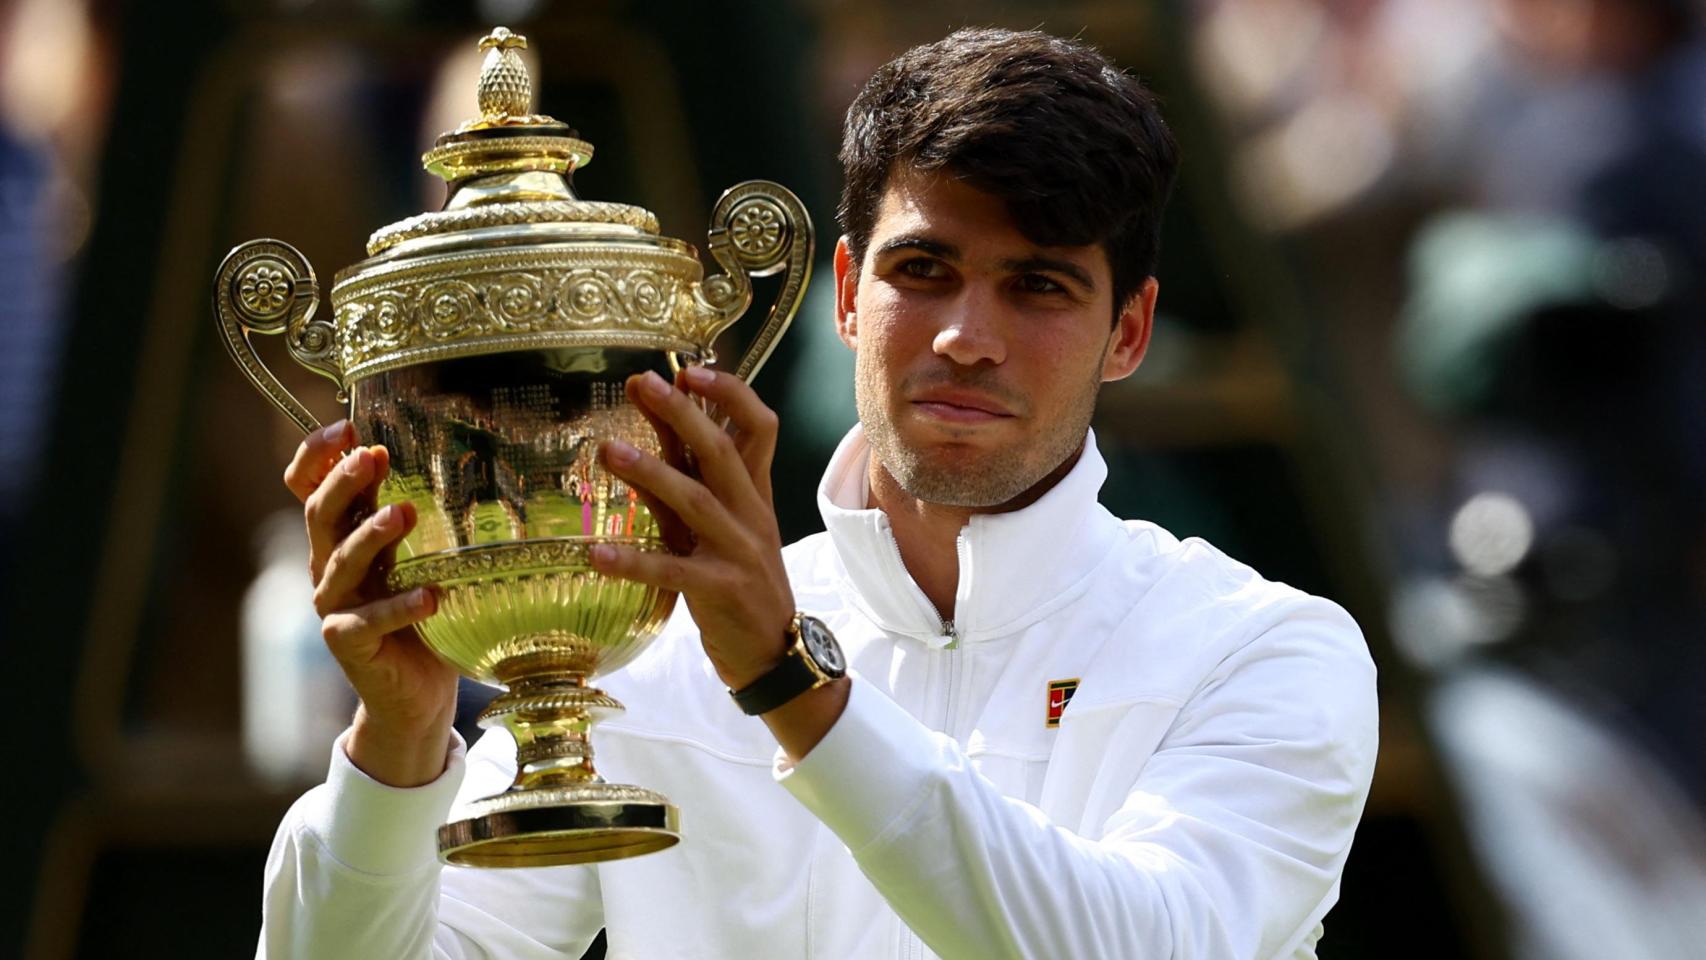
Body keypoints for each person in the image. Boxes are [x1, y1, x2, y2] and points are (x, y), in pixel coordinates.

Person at [259, 27, 1378, 960]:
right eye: (921, 270)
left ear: (1126, 332)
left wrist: (788, 682)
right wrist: (395, 746)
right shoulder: (647, 653)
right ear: (844, 294)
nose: (963, 338)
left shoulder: (1264, 650)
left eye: (1036, 286)